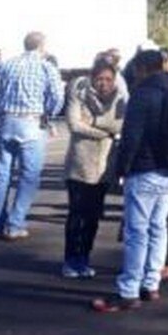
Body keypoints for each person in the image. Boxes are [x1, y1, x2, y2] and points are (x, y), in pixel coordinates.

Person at [91, 50, 168, 313]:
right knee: (158, 227)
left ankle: (128, 290)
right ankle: (151, 283)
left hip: (144, 168)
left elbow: (131, 137)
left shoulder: (142, 95)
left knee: (136, 232)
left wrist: (121, 169)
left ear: (143, 69)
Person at [0, 31, 65, 240]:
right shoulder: (46, 66)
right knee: (29, 175)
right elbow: (57, 96)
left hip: (7, 120)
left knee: (2, 174)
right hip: (31, 122)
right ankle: (15, 223)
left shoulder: (6, 64)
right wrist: (48, 114)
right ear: (41, 46)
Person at [61, 59, 125, 278]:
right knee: (76, 215)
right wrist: (104, 132)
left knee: (93, 217)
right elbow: (74, 124)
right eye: (99, 79)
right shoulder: (78, 93)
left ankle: (84, 258)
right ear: (92, 77)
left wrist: (94, 122)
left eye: (108, 79)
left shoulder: (119, 98)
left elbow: (120, 125)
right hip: (79, 165)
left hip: (103, 167)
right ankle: (70, 260)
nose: (103, 83)